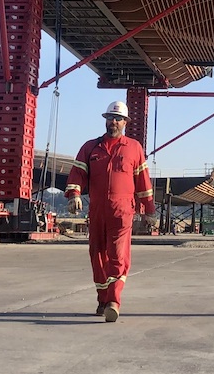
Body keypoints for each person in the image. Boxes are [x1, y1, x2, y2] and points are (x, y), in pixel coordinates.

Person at [64, 100, 156, 322]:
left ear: (125, 122)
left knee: (117, 255)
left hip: (122, 211)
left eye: (117, 119)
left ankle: (114, 301)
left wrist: (149, 210)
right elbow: (77, 174)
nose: (113, 122)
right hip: (96, 210)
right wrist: (74, 195)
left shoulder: (134, 148)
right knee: (97, 255)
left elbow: (143, 182)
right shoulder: (90, 148)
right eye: (109, 118)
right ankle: (102, 299)